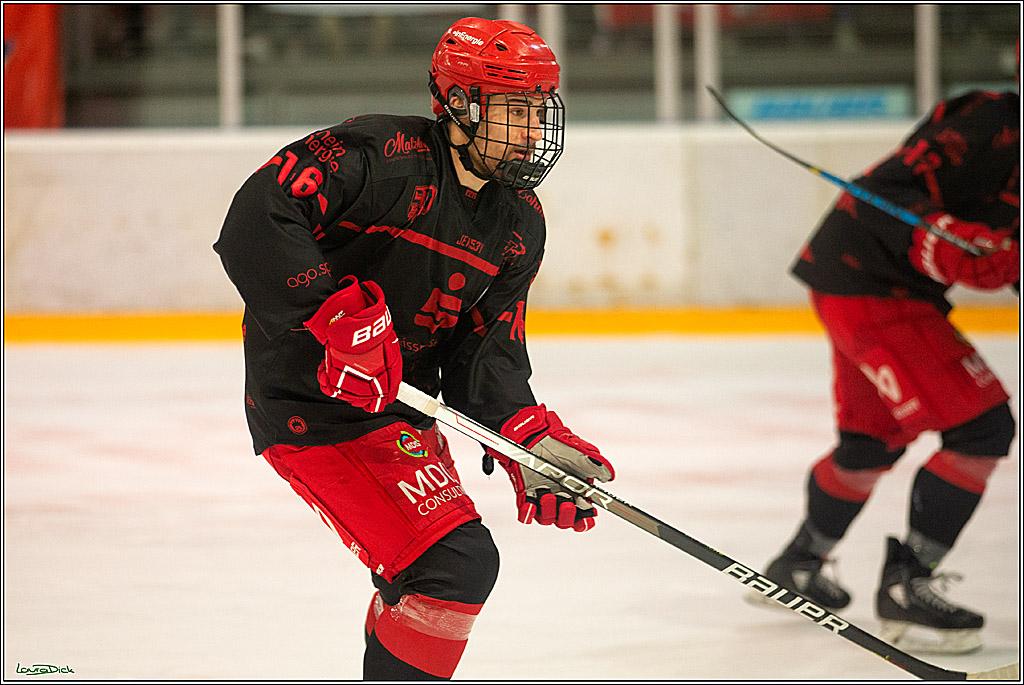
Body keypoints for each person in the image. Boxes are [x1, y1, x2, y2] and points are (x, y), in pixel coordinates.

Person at [214, 17, 615, 680]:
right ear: (459, 106)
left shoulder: (519, 224)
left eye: (538, 109)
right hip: (309, 405)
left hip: (401, 410)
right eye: (513, 109)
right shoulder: (382, 155)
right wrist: (331, 314)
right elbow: (261, 212)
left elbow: (486, 354)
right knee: (453, 564)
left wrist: (525, 439)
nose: (530, 129)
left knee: (431, 575)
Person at [756, 87, 1019, 654]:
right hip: (873, 281)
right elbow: (887, 189)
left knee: (871, 441)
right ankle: (908, 585)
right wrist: (937, 240)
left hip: (864, 282)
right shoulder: (996, 121)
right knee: (983, 428)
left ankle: (801, 562)